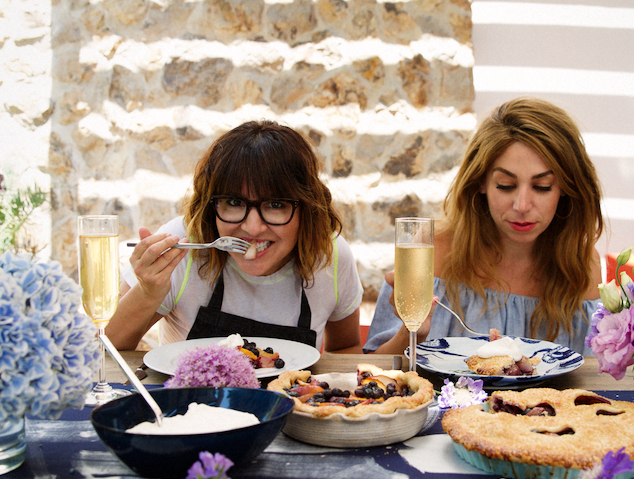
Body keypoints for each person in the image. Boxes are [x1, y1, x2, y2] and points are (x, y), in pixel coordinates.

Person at [364, 97, 604, 355]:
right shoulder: (433, 248)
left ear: (566, 188)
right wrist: (411, 334)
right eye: (505, 185)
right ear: (480, 183)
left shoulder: (581, 264)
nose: (522, 205)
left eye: (542, 187)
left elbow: (587, 380)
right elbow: (374, 375)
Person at [106, 120, 364, 353]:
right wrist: (148, 292)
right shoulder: (183, 246)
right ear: (211, 206)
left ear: (306, 209)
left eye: (276, 205)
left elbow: (346, 348)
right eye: (233, 202)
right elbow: (105, 351)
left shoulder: (329, 254)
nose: (253, 228)